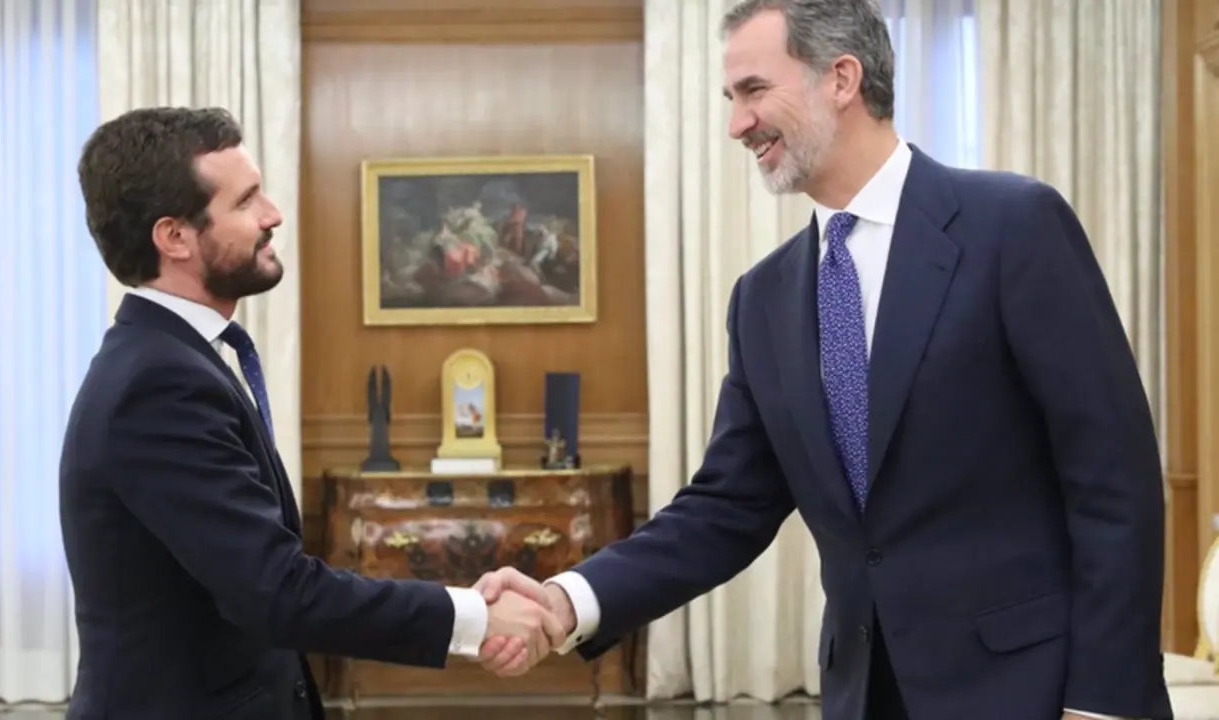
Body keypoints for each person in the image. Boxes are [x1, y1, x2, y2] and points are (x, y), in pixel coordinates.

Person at [472, 1, 1173, 719]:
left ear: (841, 78)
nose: (736, 124)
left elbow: (1114, 481)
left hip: (1032, 691)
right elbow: (725, 508)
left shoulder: (1013, 226)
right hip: (862, 695)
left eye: (753, 90)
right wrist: (567, 600)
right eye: (730, 98)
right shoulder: (763, 298)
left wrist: (1104, 703)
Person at [58, 106, 560, 720]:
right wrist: (475, 618)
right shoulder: (158, 385)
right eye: (246, 201)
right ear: (175, 238)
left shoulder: (174, 359)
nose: (272, 215)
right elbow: (275, 591)